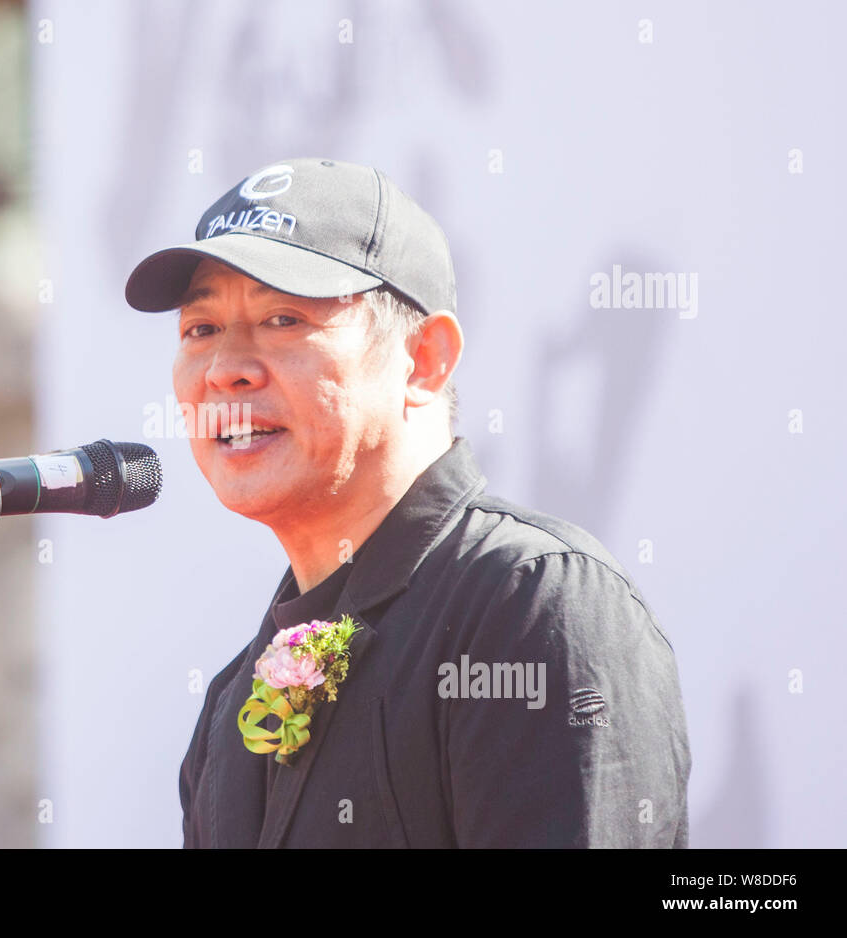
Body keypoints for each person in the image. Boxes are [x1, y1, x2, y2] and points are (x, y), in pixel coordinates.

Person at [126, 157, 690, 848]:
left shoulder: (530, 604)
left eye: (282, 317)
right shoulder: (234, 701)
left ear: (425, 359)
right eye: (200, 330)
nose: (223, 369)